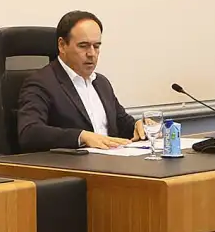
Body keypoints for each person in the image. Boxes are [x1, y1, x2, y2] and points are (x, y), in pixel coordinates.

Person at [16, 10, 140, 151]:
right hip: (71, 163)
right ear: (62, 45)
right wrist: (81, 137)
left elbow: (123, 124)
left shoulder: (101, 83)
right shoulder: (41, 83)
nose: (91, 54)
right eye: (83, 46)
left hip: (111, 160)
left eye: (96, 46)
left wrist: (139, 127)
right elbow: (29, 133)